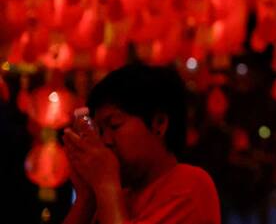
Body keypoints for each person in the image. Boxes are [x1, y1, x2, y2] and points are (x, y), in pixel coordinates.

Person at [63, 63, 220, 224]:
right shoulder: (120, 195)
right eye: (101, 131)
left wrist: (106, 185)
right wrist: (86, 198)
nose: (105, 141)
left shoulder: (190, 184)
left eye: (114, 125)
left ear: (159, 124)